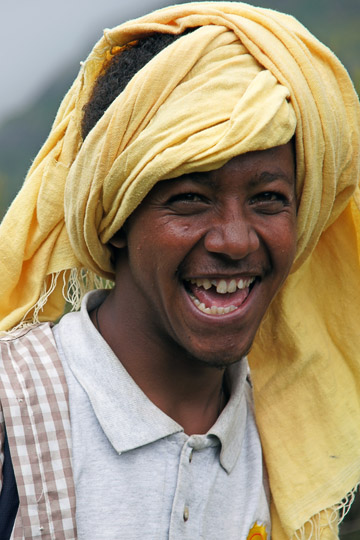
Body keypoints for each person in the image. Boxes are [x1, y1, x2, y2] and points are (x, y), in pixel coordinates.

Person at [0, 2, 359, 539]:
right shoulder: (15, 416)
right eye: (190, 198)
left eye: (267, 198)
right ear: (115, 217)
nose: (235, 240)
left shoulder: (312, 457)